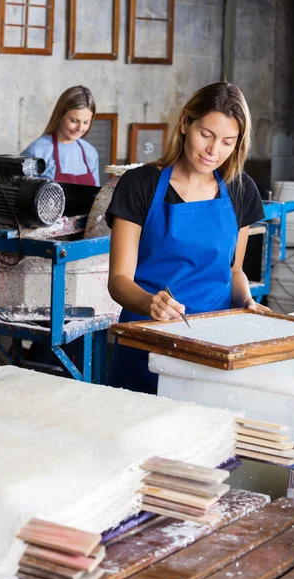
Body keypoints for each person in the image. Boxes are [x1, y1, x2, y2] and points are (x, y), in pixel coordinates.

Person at [106, 81, 266, 395]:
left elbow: (234, 271)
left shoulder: (240, 188)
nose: (213, 151)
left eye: (227, 142)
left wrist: (247, 301)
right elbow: (119, 279)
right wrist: (150, 303)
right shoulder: (141, 184)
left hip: (214, 347)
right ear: (184, 123)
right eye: (206, 134)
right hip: (147, 343)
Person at [21, 85, 100, 185]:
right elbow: (22, 197)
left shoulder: (91, 152)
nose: (80, 128)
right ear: (60, 115)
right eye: (74, 121)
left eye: (86, 122)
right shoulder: (36, 152)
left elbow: (97, 198)